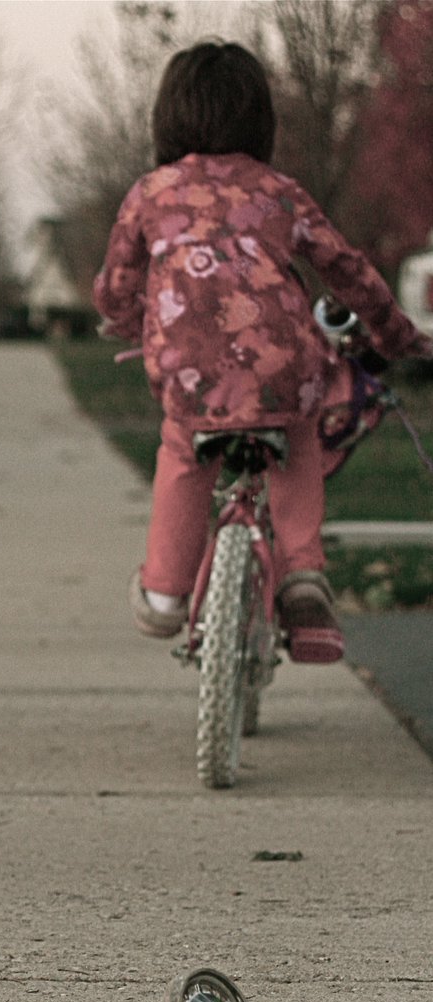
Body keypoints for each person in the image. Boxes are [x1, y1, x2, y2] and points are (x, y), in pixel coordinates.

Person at [93, 41, 433, 663]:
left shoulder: (151, 194)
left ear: (167, 118)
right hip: (283, 369)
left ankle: (167, 592)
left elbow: (116, 282)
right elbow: (348, 270)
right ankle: (303, 577)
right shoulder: (280, 193)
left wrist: (124, 320)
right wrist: (396, 335)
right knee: (298, 441)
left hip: (187, 369)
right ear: (261, 122)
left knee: (182, 449)